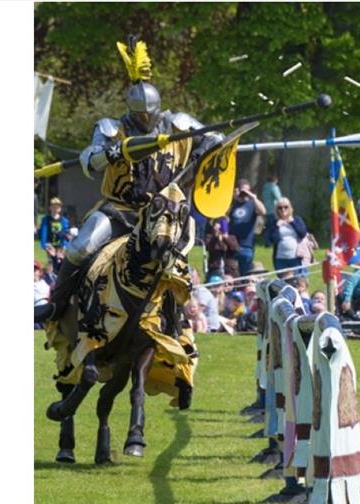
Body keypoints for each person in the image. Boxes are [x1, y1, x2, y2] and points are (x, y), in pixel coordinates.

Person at [34, 36, 222, 323]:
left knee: (176, 262)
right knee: (81, 246)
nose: (146, 118)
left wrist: (207, 147)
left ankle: (180, 319)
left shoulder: (178, 124)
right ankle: (57, 305)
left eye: (151, 113)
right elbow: (90, 159)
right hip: (120, 210)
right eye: (140, 114)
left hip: (166, 213)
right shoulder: (112, 128)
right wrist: (107, 154)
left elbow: (216, 137)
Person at [228, 178, 266, 276]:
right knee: (231, 273)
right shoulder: (233, 204)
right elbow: (223, 216)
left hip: (246, 246)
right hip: (231, 245)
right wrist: (233, 198)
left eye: (247, 191)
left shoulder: (252, 204)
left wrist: (253, 197)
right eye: (242, 191)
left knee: (245, 275)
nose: (244, 193)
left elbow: (263, 211)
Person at [265, 197, 308, 274]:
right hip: (280, 258)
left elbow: (303, 234)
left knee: (298, 282)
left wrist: (292, 223)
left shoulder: (297, 219)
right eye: (280, 208)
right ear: (277, 210)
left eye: (286, 207)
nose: (283, 209)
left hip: (296, 257)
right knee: (283, 283)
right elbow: (272, 240)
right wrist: (277, 226)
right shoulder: (274, 223)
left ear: (290, 208)